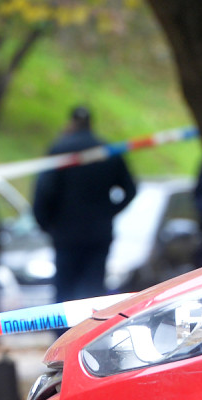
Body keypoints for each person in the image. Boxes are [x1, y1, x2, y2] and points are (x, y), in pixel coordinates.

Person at [33, 106, 137, 303]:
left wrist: (47, 224)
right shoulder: (106, 150)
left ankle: (67, 324)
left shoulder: (59, 150)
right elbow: (130, 189)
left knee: (65, 294)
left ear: (71, 122)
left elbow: (44, 191)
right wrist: (109, 212)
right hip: (98, 234)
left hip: (66, 235)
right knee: (93, 294)